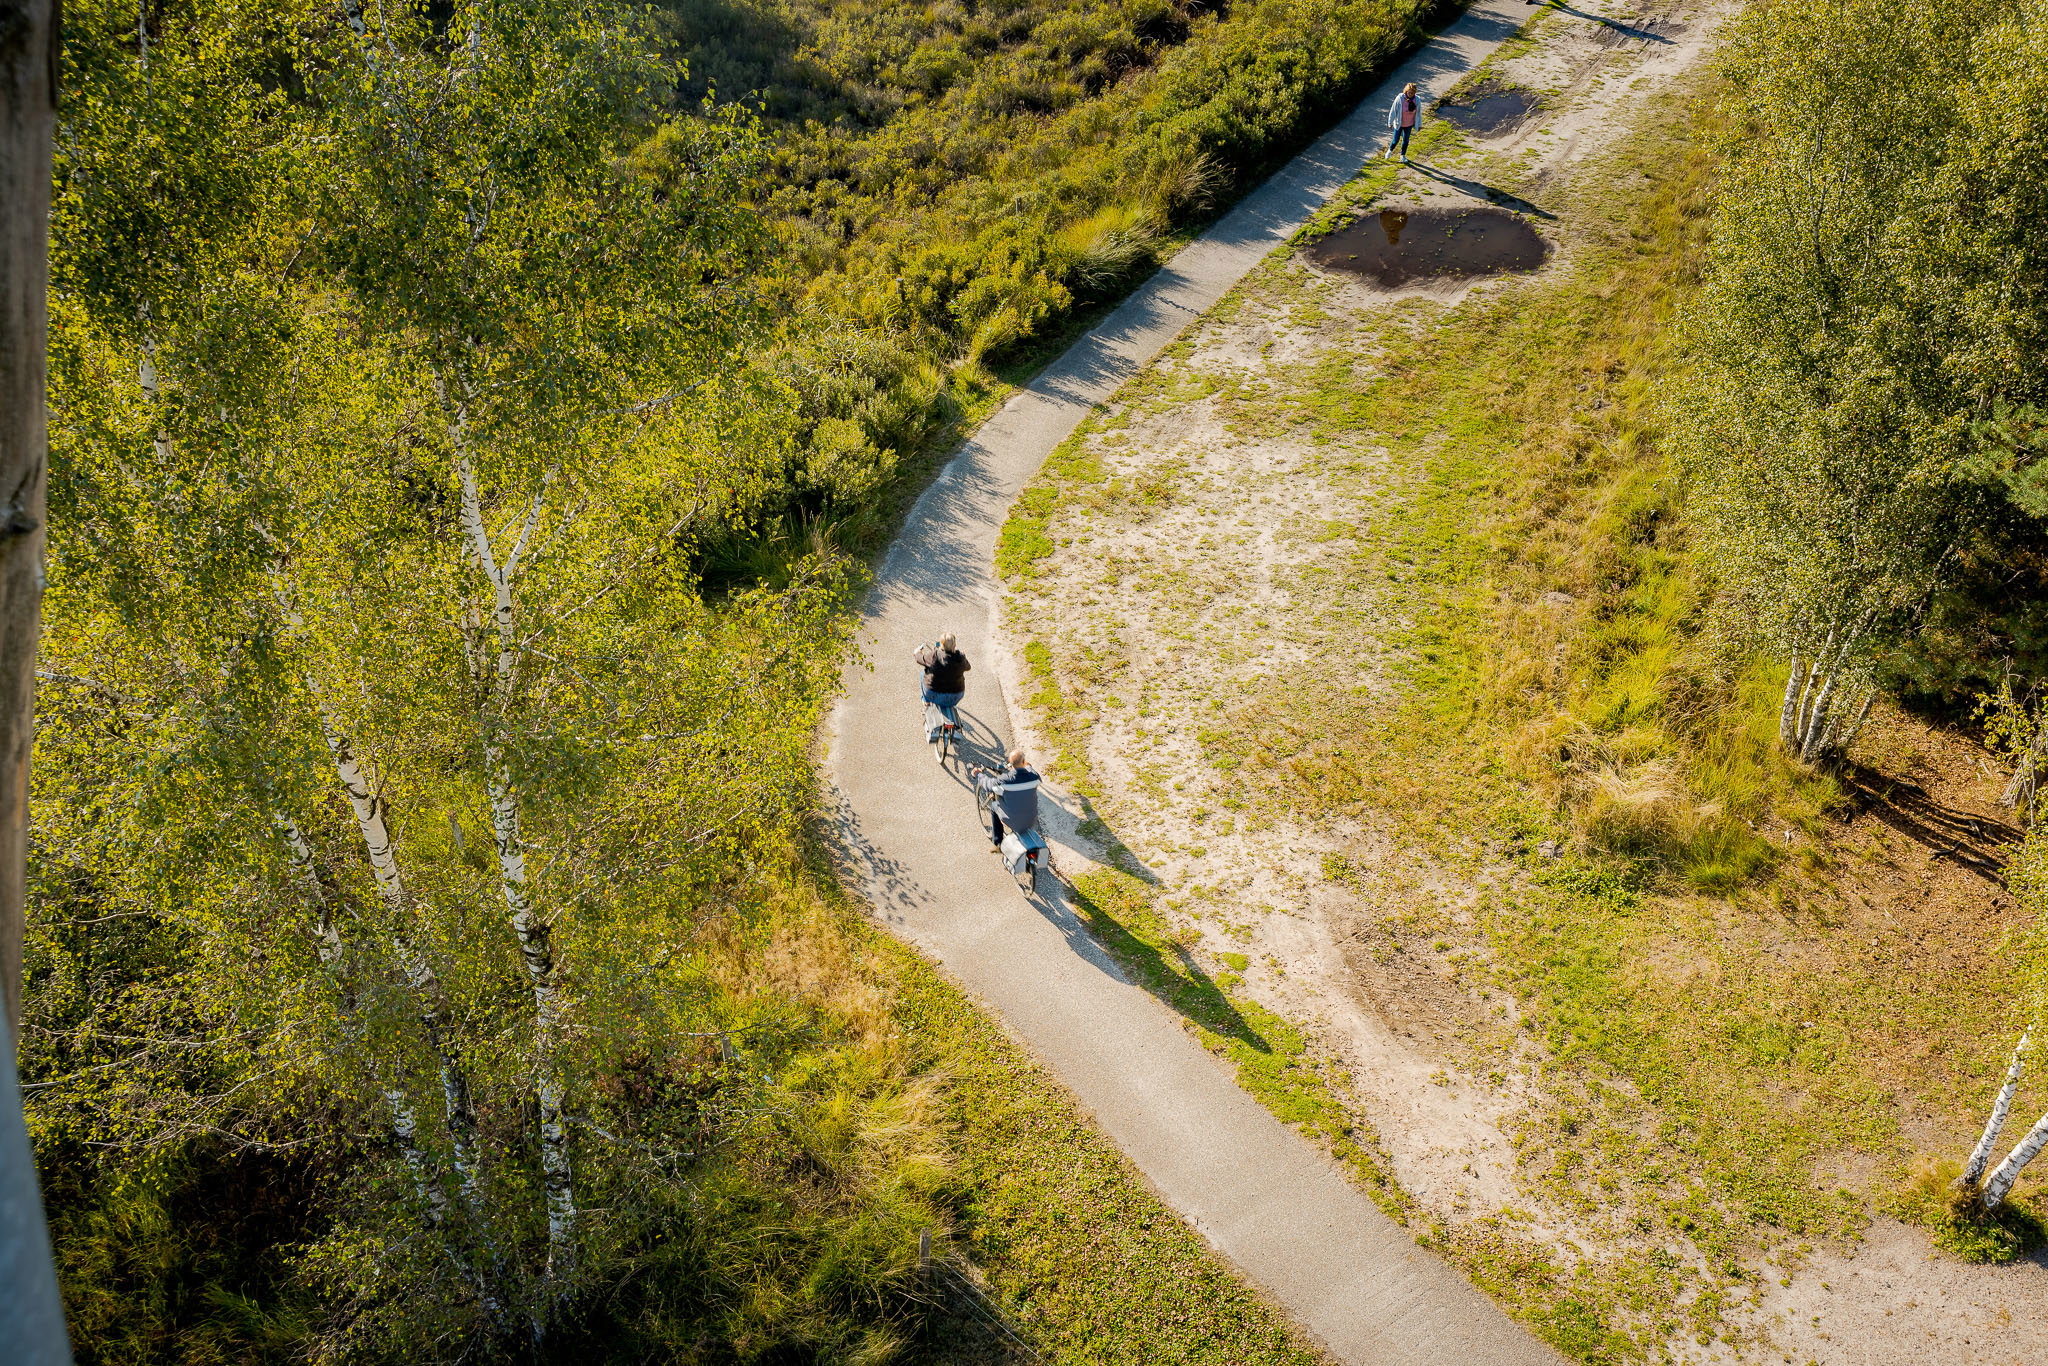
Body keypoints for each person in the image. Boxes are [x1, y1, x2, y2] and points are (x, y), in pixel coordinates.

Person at [973, 749, 1041, 852]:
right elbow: (1029, 768)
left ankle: (997, 844)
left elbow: (988, 784)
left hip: (1012, 821)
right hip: (1032, 820)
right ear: (1024, 761)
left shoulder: (1005, 780)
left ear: (1010, 761)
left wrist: (979, 775)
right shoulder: (1034, 777)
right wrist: (1027, 766)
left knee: (994, 806)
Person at [913, 633, 970, 740]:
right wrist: (963, 656)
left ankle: (927, 703)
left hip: (933, 694)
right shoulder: (960, 658)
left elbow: (920, 659)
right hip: (955, 696)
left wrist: (917, 652)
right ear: (954, 645)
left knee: (922, 675)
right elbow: (968, 667)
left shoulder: (935, 655)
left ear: (942, 646)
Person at [1385, 81, 1421, 161]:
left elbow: (1419, 113)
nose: (1410, 94)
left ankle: (1402, 155)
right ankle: (1389, 151)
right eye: (1409, 92)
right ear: (1406, 91)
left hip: (1409, 124)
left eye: (1412, 93)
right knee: (1395, 140)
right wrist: (1390, 122)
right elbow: (1393, 110)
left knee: (1406, 141)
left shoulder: (1417, 100)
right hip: (1399, 124)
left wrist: (1419, 124)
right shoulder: (1400, 98)